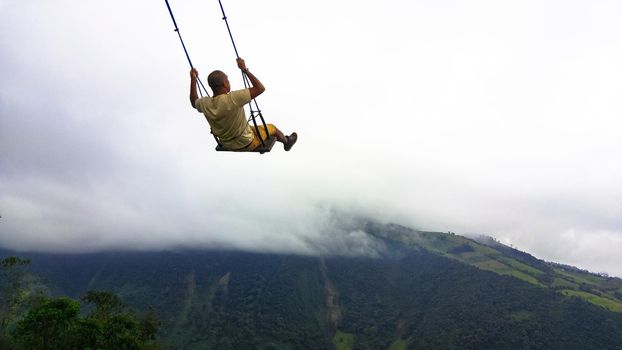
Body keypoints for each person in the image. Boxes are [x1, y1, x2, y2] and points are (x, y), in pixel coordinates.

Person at [189, 58, 297, 152]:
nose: (228, 82)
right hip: (246, 143)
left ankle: (262, 143)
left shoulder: (205, 103)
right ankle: (287, 142)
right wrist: (244, 69)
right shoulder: (233, 98)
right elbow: (260, 88)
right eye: (227, 80)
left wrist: (193, 80)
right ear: (225, 84)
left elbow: (194, 102)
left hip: (226, 143)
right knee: (273, 128)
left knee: (252, 128)